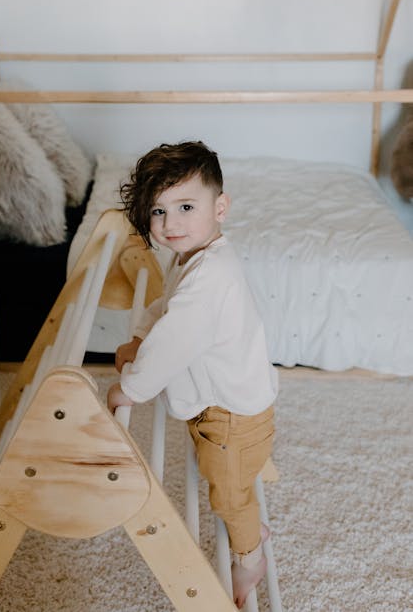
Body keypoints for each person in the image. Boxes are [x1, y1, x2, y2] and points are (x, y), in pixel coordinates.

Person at [107, 141, 278, 608]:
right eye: (158, 212)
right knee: (219, 473)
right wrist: (140, 336)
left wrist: (132, 388)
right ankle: (248, 524)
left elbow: (173, 342)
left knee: (227, 494)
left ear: (220, 207)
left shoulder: (210, 277)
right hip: (224, 406)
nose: (170, 224)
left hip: (232, 419)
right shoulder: (197, 257)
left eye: (185, 207)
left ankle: (249, 556)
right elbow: (167, 310)